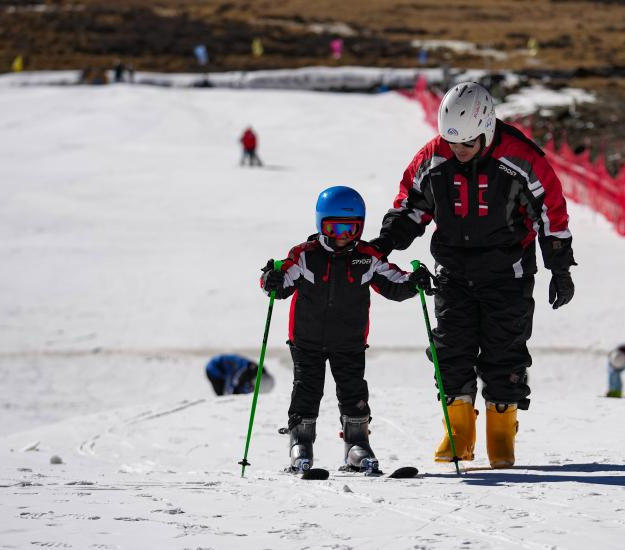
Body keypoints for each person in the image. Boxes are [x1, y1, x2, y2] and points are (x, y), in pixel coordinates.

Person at [371, 82, 576, 469]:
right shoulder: (435, 157)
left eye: (466, 144)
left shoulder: (520, 159)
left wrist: (560, 267)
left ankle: (501, 431)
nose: (458, 152)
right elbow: (412, 205)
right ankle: (459, 430)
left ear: (486, 131)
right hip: (453, 272)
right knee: (450, 351)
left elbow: (550, 212)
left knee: (504, 353)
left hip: (508, 274)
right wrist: (386, 241)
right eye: (451, 143)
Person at [260, 186, 433, 475]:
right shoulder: (304, 255)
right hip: (307, 340)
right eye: (335, 227)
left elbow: (394, 283)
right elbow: (281, 285)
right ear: (321, 224)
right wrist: (271, 279)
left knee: (354, 392)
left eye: (351, 229)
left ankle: (357, 444)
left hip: (350, 341)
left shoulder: (366, 256)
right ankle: (301, 442)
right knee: (306, 390)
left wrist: (414, 282)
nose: (343, 236)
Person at [205, 354, 273, 396]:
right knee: (223, 394)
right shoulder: (215, 369)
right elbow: (232, 381)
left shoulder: (247, 368)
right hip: (214, 369)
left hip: (221, 369)